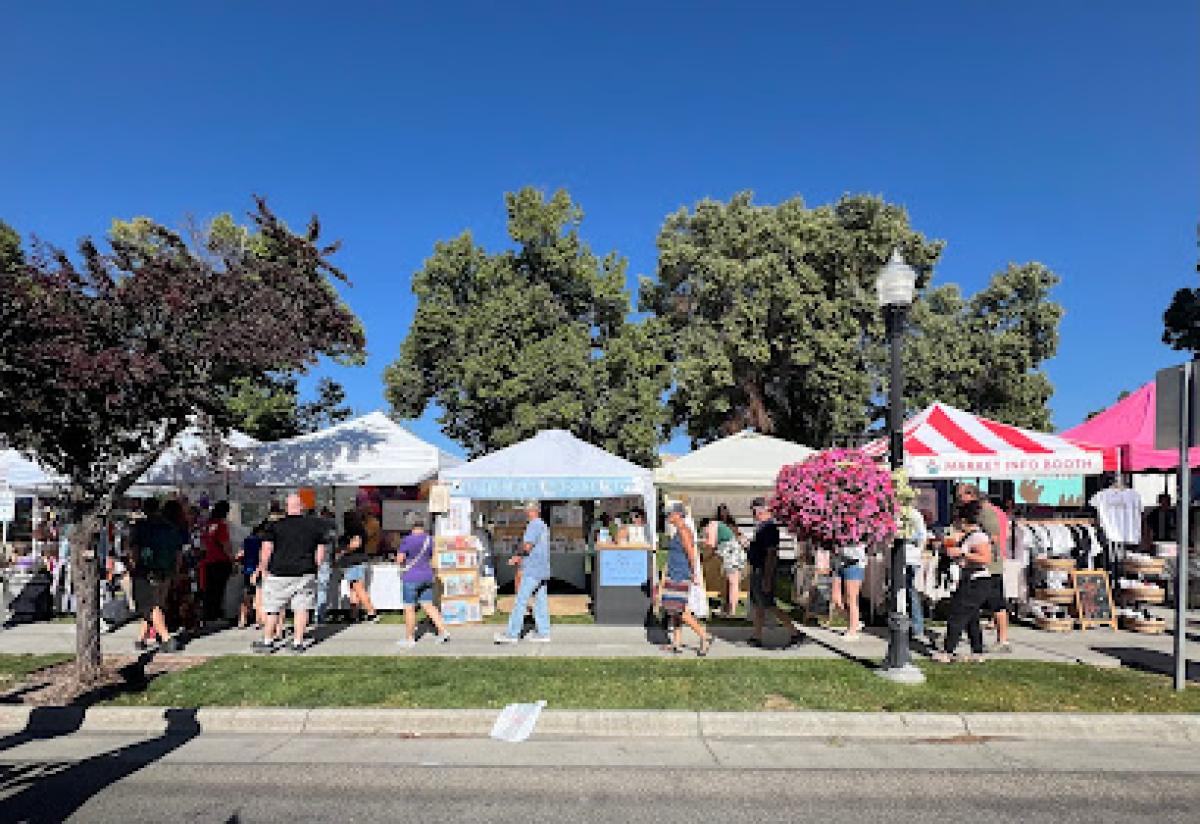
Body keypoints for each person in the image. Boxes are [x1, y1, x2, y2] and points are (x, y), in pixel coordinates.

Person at [254, 493, 328, 654]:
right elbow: (320, 553)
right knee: (301, 608)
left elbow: (266, 550)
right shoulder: (316, 526)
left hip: (278, 572)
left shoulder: (274, 526)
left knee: (273, 608)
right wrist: (315, 567)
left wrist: (263, 568)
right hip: (305, 571)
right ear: (302, 507)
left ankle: (268, 641)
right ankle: (297, 642)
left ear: (286, 507)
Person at [933, 499, 993, 663]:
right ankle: (977, 651)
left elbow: (985, 558)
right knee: (971, 618)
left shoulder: (978, 537)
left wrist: (963, 553)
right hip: (968, 579)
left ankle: (948, 651)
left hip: (977, 580)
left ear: (964, 520)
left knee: (957, 615)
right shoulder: (968, 536)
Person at [956, 484, 1011, 652]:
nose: (958, 499)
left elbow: (995, 536)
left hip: (990, 565)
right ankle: (969, 638)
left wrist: (971, 539)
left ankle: (1003, 640)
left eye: (960, 496)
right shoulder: (978, 510)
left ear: (971, 495)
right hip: (979, 565)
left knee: (996, 602)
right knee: (971, 603)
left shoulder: (986, 511)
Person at [746, 498, 803, 648]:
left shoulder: (769, 528)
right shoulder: (762, 528)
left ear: (762, 511)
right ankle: (757, 636)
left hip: (763, 571)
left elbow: (771, 554)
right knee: (759, 605)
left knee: (769, 604)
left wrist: (767, 578)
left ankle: (794, 632)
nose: (753, 515)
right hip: (757, 569)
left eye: (754, 511)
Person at [131, 498, 185, 653]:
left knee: (150, 605)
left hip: (146, 570)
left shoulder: (141, 527)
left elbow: (135, 550)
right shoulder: (171, 528)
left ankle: (167, 639)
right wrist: (175, 571)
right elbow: (178, 553)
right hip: (166, 570)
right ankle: (141, 638)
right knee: (156, 604)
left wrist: (134, 565)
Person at [494, 501, 552, 644]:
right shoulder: (543, 525)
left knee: (520, 601)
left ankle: (512, 634)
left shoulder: (533, 525)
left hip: (532, 569)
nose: (525, 513)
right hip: (542, 569)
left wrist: (517, 557)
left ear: (531, 511)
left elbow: (527, 546)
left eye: (526, 510)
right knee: (540, 602)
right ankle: (544, 632)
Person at [661, 503, 712, 656]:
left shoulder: (684, 531)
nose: (668, 516)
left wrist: (694, 573)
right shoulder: (678, 531)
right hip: (674, 573)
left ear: (678, 515)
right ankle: (676, 643)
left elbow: (691, 553)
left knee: (680, 610)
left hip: (681, 575)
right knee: (674, 611)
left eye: (670, 514)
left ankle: (704, 636)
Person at [395, 522, 448, 648]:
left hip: (412, 576)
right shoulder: (430, 539)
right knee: (428, 605)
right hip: (427, 575)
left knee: (409, 608)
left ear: (412, 527)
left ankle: (410, 638)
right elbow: (430, 556)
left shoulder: (407, 540)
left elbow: (400, 559)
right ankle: (443, 631)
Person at [895, 482, 929, 644]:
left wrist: (905, 537)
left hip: (910, 558)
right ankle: (901, 624)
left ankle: (917, 627)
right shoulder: (895, 514)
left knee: (910, 592)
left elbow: (921, 536)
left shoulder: (914, 515)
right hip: (897, 558)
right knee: (899, 592)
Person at [706, 503, 746, 617]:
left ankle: (731, 611)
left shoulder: (713, 524)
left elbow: (711, 543)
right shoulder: (722, 526)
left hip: (732, 554)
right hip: (735, 554)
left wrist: (704, 552)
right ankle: (727, 609)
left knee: (733, 582)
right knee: (731, 582)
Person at [199, 500, 235, 625]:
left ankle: (208, 615)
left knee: (210, 590)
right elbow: (225, 545)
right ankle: (215, 616)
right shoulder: (221, 525)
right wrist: (232, 559)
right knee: (219, 590)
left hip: (208, 560)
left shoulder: (207, 525)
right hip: (220, 561)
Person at [237, 521, 266, 630]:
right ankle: (259, 620)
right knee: (259, 596)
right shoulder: (262, 541)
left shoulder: (247, 540)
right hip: (258, 569)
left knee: (247, 595)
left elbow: (240, 555)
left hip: (247, 570)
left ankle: (242, 619)